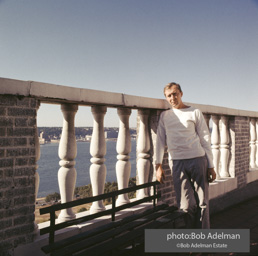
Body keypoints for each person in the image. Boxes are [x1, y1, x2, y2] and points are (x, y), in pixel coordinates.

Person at [155, 82, 216, 229]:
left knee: (203, 203)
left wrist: (211, 165)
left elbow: (205, 139)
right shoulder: (165, 116)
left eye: (175, 94)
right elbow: (160, 141)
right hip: (177, 163)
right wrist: (157, 166)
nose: (172, 98)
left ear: (181, 94)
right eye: (169, 95)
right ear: (166, 98)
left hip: (198, 159)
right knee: (186, 206)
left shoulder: (194, 112)